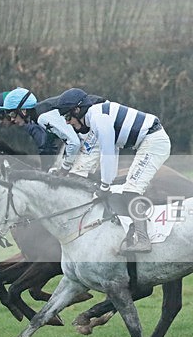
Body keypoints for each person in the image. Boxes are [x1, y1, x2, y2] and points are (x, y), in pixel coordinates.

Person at [55, 87, 171, 253]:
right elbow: (112, 151)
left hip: (154, 142)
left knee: (131, 190)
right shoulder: (95, 116)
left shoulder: (98, 118)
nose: (67, 122)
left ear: (77, 110)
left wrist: (104, 185)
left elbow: (107, 153)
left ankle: (143, 240)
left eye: (67, 116)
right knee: (125, 187)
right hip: (149, 141)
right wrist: (106, 182)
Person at [0, 87, 61, 168]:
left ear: (23, 111)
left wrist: (46, 172)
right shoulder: (37, 113)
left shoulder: (36, 121)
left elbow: (46, 149)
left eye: (13, 114)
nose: (12, 119)